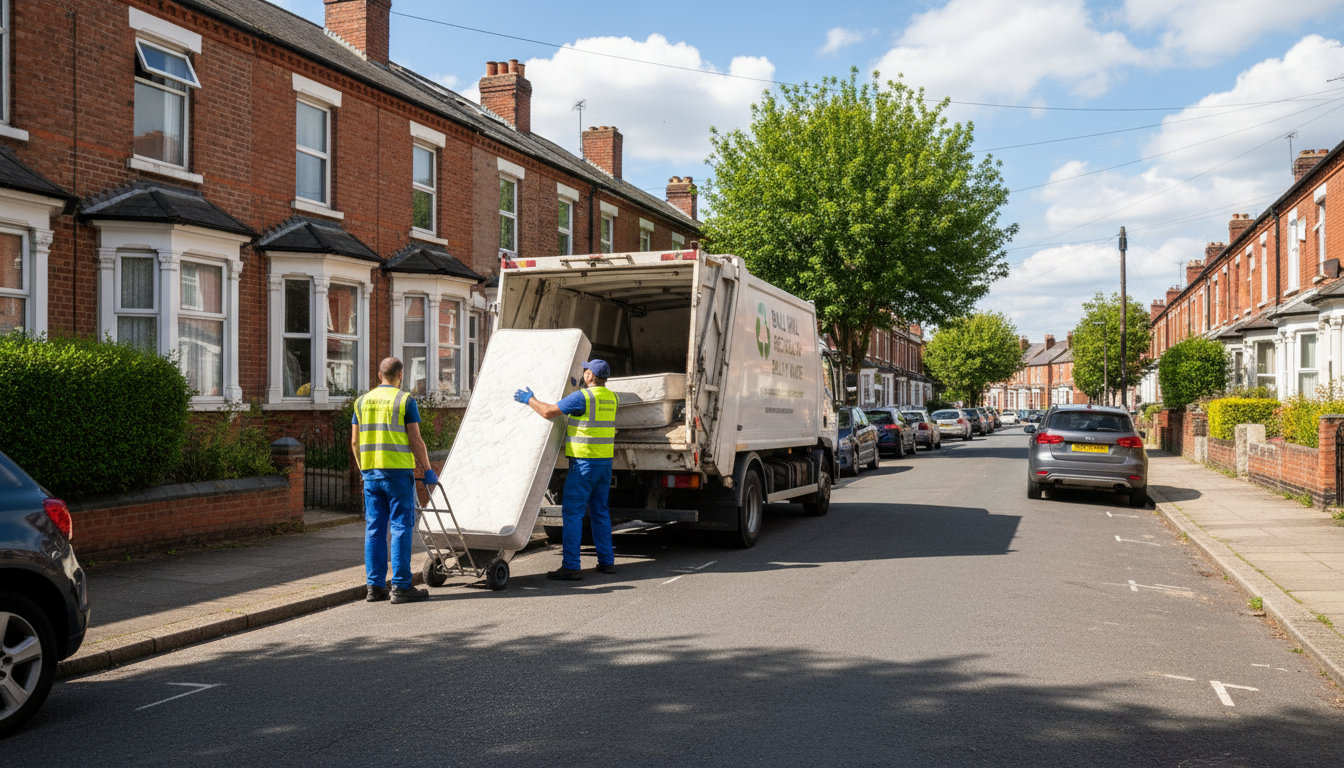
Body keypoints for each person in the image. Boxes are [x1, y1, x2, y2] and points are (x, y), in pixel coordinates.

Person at [514, 360, 618, 580]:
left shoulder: (583, 397)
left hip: (584, 464)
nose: (583, 374)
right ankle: (607, 562)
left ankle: (571, 566)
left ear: (590, 376)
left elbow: (549, 412)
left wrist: (529, 400)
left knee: (572, 514)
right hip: (604, 464)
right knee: (600, 512)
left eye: (585, 371)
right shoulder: (612, 397)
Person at [351, 357, 438, 604]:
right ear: (400, 375)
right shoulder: (405, 400)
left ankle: (374, 587)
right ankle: (400, 586)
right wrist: (428, 468)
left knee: (374, 529)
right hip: (398, 474)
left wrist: (363, 470)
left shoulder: (361, 402)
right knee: (400, 527)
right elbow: (415, 440)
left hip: (371, 476)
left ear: (379, 375)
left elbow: (355, 442)